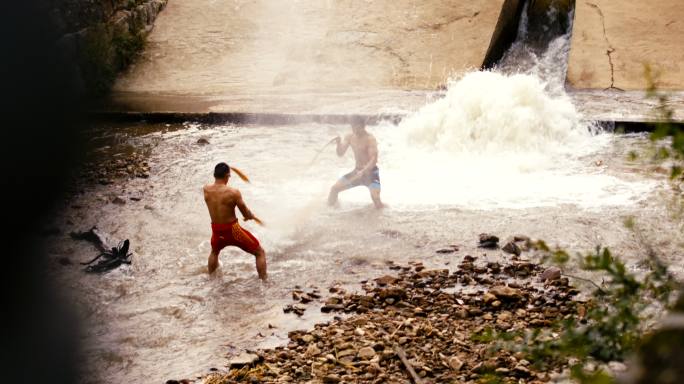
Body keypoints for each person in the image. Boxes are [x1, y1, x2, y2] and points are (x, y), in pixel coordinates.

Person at [203, 162, 267, 280]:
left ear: (215, 175)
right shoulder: (233, 193)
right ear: (228, 176)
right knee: (259, 252)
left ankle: (211, 281)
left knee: (214, 252)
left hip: (216, 231)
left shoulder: (206, 189)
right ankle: (265, 282)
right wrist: (250, 215)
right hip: (233, 230)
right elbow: (245, 213)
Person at [328, 117, 384, 209]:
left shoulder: (370, 139)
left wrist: (364, 171)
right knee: (334, 189)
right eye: (353, 128)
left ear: (363, 126)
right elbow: (340, 153)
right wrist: (338, 143)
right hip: (356, 172)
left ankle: (384, 215)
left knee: (376, 199)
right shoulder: (350, 137)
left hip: (371, 174)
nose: (355, 130)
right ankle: (330, 211)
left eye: (358, 128)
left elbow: (373, 160)